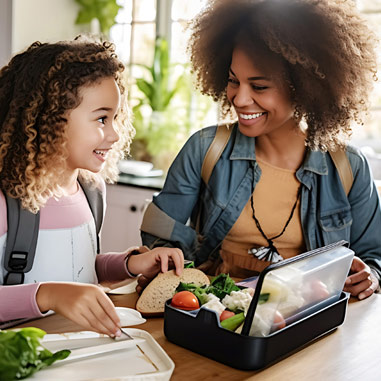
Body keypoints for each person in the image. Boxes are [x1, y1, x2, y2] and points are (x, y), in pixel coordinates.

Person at [140, 0, 381, 300]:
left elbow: (373, 257)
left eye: (259, 87)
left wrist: (368, 275)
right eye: (233, 81)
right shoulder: (205, 149)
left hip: (303, 323)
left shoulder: (349, 167)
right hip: (215, 315)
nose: (239, 99)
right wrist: (166, 256)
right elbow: (160, 239)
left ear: (305, 88)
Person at [0, 37, 183, 336]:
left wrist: (129, 264)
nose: (114, 134)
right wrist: (47, 295)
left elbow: (81, 269)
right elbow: (56, 286)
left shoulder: (90, 189)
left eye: (115, 118)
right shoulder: (7, 200)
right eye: (101, 119)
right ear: (50, 118)